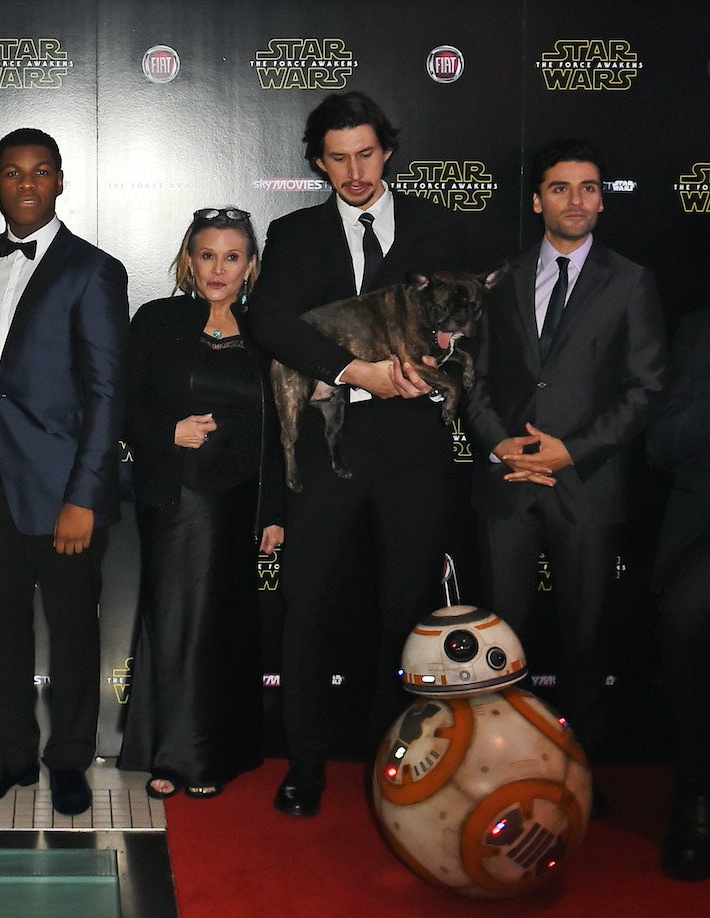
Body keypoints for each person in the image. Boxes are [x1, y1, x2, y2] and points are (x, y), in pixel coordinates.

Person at [247, 91, 469, 818]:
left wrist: (440, 361)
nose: (354, 171)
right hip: (325, 440)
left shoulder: (440, 228)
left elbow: (470, 320)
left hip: (413, 444)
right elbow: (274, 323)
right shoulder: (295, 233)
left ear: (389, 151)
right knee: (305, 606)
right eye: (338, 158)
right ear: (318, 162)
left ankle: (394, 762)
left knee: (407, 608)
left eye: (366, 153)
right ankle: (304, 765)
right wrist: (355, 372)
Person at [464, 138, 666, 812]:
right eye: (560, 188)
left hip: (587, 485)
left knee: (584, 640)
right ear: (537, 199)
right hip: (508, 486)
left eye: (587, 188)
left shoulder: (632, 281)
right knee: (501, 641)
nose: (575, 200)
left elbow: (645, 389)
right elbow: (476, 381)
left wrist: (569, 452)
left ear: (602, 199)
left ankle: (578, 777)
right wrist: (503, 449)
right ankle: (497, 776)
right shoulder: (504, 279)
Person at [0, 128, 129, 816]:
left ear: (60, 183)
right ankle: (11, 754)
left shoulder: (93, 269)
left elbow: (108, 392)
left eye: (40, 173)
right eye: (11, 173)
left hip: (65, 492)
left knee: (73, 631)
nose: (25, 185)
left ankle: (69, 762)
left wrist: (84, 496)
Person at [117, 208, 283, 800]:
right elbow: (120, 404)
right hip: (174, 498)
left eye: (232, 257)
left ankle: (219, 751)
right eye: (207, 256)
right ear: (189, 261)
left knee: (225, 629)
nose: (219, 269)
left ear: (251, 266)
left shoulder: (267, 331)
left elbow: (280, 432)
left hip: (237, 504)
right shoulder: (158, 320)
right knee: (176, 624)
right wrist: (169, 431)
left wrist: (272, 512)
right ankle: (174, 755)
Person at [647, 310, 710, 881]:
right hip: (704, 530)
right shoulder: (698, 330)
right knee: (686, 615)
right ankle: (694, 799)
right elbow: (660, 447)